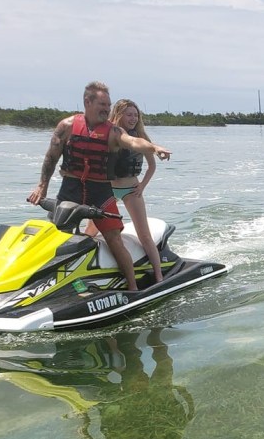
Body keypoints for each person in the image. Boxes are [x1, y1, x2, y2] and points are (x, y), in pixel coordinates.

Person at [27, 81, 172, 291]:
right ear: (87, 102)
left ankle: (133, 288)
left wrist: (154, 146)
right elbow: (51, 157)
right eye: (102, 104)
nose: (106, 109)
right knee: (57, 236)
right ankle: (45, 283)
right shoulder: (66, 126)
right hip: (70, 189)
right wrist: (42, 186)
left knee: (114, 239)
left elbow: (133, 143)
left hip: (100, 192)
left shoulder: (113, 132)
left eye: (108, 105)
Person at [108, 98, 163, 282]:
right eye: (129, 114)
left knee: (144, 235)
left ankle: (159, 276)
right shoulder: (110, 134)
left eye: (135, 115)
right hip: (109, 191)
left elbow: (151, 166)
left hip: (132, 190)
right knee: (89, 232)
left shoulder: (141, 138)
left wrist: (142, 186)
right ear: (119, 114)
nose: (133, 118)